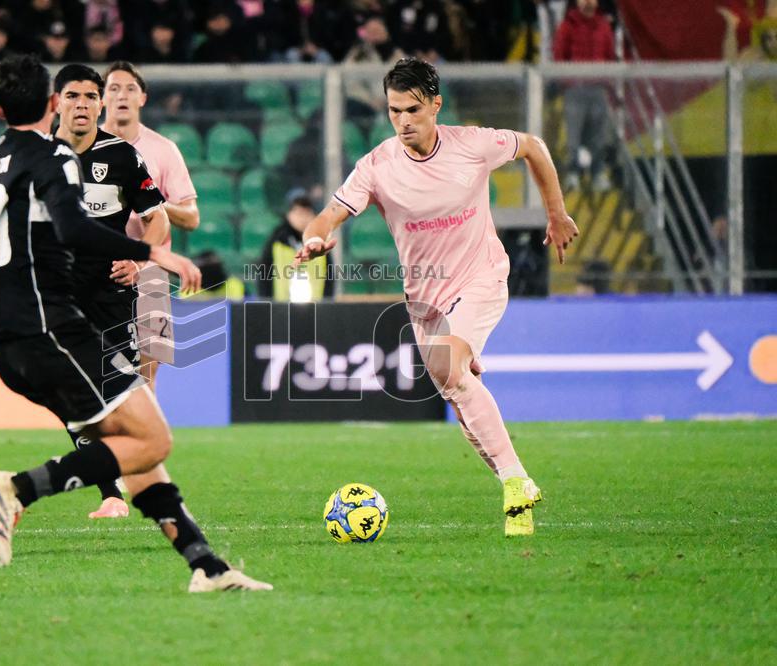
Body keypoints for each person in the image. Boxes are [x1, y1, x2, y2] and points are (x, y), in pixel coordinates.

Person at [0, 54, 270, 592]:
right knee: (153, 438)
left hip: (9, 345)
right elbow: (75, 230)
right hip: (55, 330)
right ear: (53, 103)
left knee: (134, 444)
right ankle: (17, 489)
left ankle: (206, 566)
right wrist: (155, 253)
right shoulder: (53, 155)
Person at [295, 58, 578, 537]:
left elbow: (533, 146)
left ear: (435, 106)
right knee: (457, 390)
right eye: (394, 111)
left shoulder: (472, 144)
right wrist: (315, 238)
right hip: (425, 301)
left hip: (481, 277)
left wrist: (556, 212)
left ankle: (515, 482)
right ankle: (517, 487)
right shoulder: (378, 166)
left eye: (412, 110)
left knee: (448, 368)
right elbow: (327, 216)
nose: (403, 121)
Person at [87, 59, 200, 519]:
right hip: (100, 275)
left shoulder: (162, 149)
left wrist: (149, 199)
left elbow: (192, 216)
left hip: (149, 274)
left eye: (129, 88)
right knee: (98, 378)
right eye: (112, 88)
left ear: (142, 98)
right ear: (102, 99)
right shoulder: (85, 148)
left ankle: (140, 473)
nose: (121, 96)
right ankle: (117, 477)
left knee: (144, 381)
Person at [553, 0, 615, 192]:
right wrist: (568, 83)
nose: (588, 2)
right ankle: (573, 173)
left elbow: (610, 56)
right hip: (575, 90)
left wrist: (605, 82)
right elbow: (559, 56)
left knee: (599, 135)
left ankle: (598, 173)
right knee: (573, 136)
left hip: (597, 89)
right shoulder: (566, 26)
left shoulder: (604, 26)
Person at [257, 193, 333, 301]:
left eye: (307, 213)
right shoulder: (277, 241)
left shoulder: (321, 242)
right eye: (299, 213)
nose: (303, 219)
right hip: (281, 306)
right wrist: (267, 304)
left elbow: (329, 276)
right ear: (289, 215)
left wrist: (326, 303)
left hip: (316, 307)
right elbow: (264, 274)